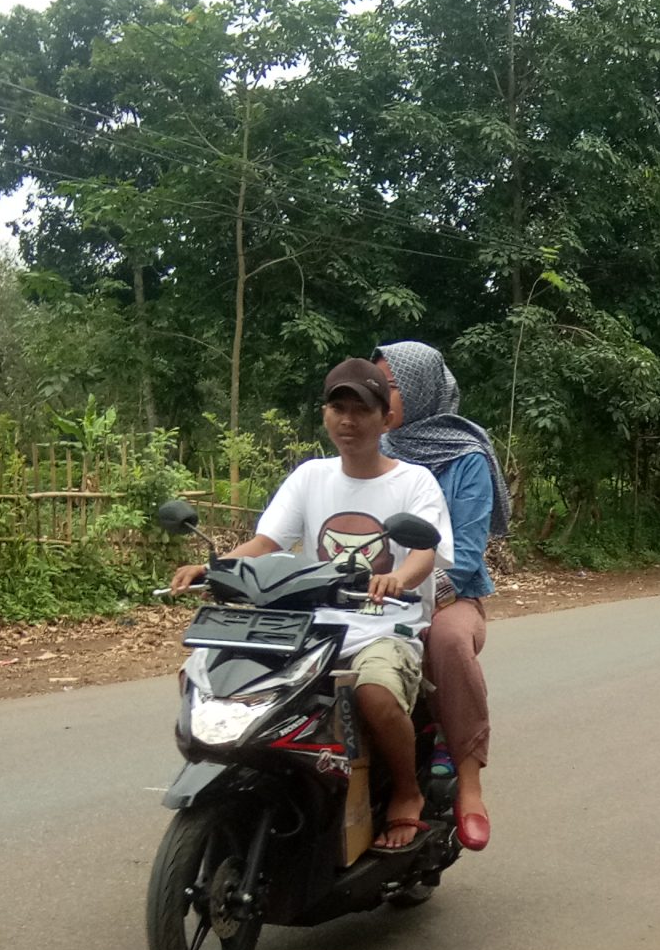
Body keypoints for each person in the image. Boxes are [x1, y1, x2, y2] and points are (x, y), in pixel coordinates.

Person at [169, 358, 453, 853]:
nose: (348, 421)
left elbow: (426, 551)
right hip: (306, 626)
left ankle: (406, 794)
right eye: (337, 408)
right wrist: (213, 569)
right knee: (212, 679)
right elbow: (265, 541)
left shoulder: (415, 482)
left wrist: (396, 578)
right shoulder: (310, 477)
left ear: (386, 420)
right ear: (324, 416)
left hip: (385, 627)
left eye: (361, 410)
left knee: (376, 695)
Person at [375, 340, 501, 852]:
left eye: (391, 387)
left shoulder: (466, 456)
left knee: (446, 642)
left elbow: (466, 555)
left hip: (454, 595)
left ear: (423, 390)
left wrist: (418, 593)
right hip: (377, 593)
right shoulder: (373, 449)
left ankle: (468, 782)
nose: (379, 399)